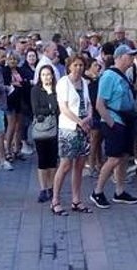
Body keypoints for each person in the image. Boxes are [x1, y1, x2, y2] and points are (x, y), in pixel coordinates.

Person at [91, 45, 137, 209]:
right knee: (113, 158)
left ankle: (120, 191)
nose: (132, 59)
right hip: (114, 121)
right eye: (129, 56)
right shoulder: (109, 76)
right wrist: (112, 124)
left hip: (125, 120)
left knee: (123, 156)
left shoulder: (124, 75)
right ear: (119, 57)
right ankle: (97, 191)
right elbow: (100, 104)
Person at [50, 56, 93, 216]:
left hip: (84, 127)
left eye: (81, 65)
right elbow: (64, 108)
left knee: (80, 165)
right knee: (65, 164)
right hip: (69, 128)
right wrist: (79, 121)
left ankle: (76, 199)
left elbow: (88, 103)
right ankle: (55, 199)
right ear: (69, 66)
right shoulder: (63, 82)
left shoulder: (84, 83)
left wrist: (88, 117)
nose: (79, 68)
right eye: (76, 65)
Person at [29, 64, 59, 204]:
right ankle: (43, 188)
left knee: (52, 160)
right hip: (41, 130)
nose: (46, 77)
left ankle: (52, 186)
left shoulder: (55, 89)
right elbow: (36, 110)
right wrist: (49, 109)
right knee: (42, 160)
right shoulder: (35, 90)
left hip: (54, 129)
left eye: (48, 74)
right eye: (43, 74)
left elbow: (55, 108)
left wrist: (49, 93)